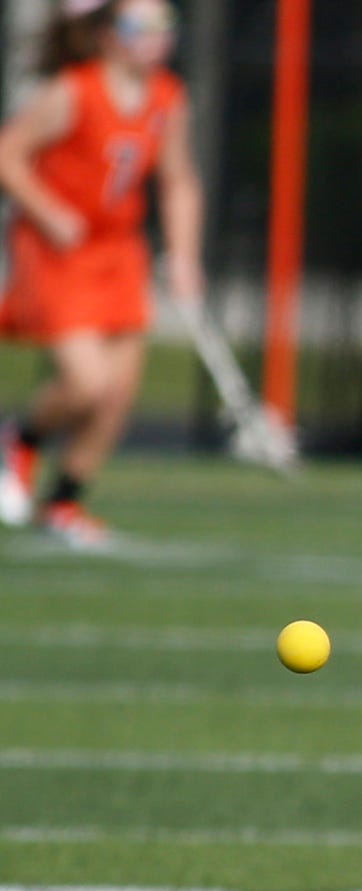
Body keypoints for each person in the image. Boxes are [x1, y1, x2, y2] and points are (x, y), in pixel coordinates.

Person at [0, 0, 202, 550]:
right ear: (109, 35)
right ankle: (20, 439)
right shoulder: (74, 91)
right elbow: (7, 156)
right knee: (86, 382)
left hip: (119, 252)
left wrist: (184, 256)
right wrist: (47, 211)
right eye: (141, 26)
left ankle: (63, 503)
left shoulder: (167, 97)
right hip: (58, 250)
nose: (156, 38)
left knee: (117, 393)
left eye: (165, 25)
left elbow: (178, 179)